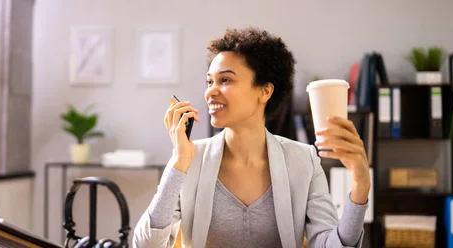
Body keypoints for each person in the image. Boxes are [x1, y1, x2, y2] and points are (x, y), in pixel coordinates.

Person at [133, 27, 369, 248]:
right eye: (209, 81)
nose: (211, 91)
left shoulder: (303, 160)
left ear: (265, 91)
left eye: (225, 80)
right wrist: (179, 162)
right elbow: (146, 245)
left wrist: (360, 186)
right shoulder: (189, 159)